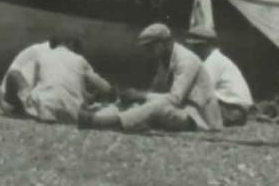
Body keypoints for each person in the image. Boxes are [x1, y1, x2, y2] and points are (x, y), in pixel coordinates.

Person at [85, 22, 223, 132]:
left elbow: (175, 99)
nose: (148, 52)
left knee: (156, 107)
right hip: (180, 110)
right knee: (139, 103)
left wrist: (141, 95)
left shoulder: (187, 60)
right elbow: (155, 91)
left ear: (161, 44)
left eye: (149, 48)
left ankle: (104, 122)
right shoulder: (165, 60)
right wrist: (134, 96)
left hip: (200, 119)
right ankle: (98, 116)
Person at [1, 36, 114, 124]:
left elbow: (42, 84)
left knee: (14, 74)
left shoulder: (44, 56)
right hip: (73, 114)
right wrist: (109, 95)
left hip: (44, 109)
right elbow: (106, 88)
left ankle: (10, 107)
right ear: (73, 46)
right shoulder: (80, 60)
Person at [186, 24, 253, 126]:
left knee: (188, 110)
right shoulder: (213, 59)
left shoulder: (213, 61)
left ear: (207, 46)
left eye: (197, 46)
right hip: (231, 109)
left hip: (233, 111)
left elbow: (201, 92)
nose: (193, 50)